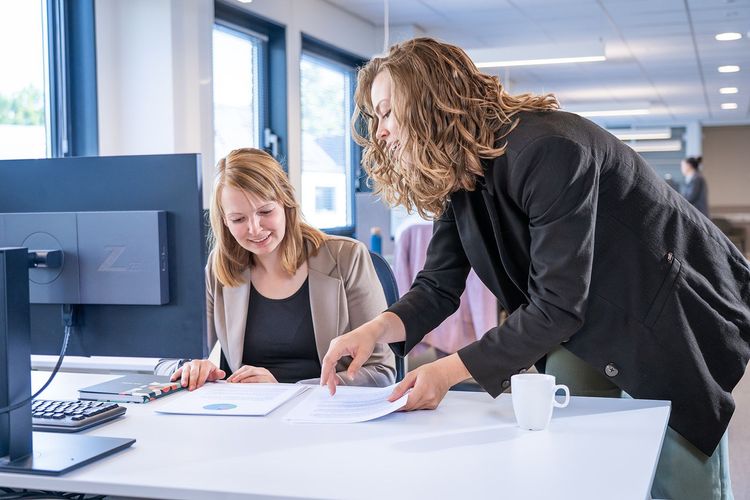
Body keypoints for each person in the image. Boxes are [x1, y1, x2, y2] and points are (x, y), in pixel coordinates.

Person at [319, 38, 749, 500]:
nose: (381, 131)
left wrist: (446, 372)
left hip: (664, 309)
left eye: (386, 112)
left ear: (428, 101)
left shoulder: (548, 149)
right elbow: (438, 286)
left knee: (679, 479)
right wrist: (374, 330)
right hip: (586, 313)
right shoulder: (457, 174)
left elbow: (556, 304)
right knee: (579, 460)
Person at [156, 147, 395, 390]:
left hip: (323, 408)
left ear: (285, 202)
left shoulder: (347, 257)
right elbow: (164, 362)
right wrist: (190, 367)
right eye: (238, 219)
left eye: (265, 211)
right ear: (225, 221)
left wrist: (284, 387)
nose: (255, 229)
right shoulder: (220, 268)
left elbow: (381, 371)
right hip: (249, 409)